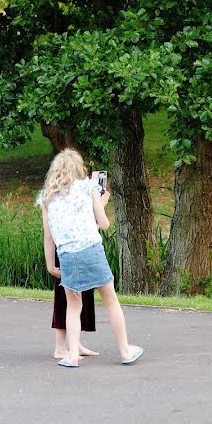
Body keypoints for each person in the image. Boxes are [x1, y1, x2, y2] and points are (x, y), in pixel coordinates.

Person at [37, 148, 143, 368]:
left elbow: (48, 235)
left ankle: (73, 354)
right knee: (110, 300)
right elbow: (103, 224)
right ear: (79, 168)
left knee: (73, 306)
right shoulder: (89, 188)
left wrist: (50, 264)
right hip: (91, 249)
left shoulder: (47, 197)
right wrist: (102, 204)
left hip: (66, 254)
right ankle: (125, 351)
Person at [49, 250, 99, 360]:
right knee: (63, 299)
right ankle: (60, 348)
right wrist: (51, 266)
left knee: (82, 298)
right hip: (64, 252)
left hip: (80, 249)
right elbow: (48, 236)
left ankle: (76, 346)